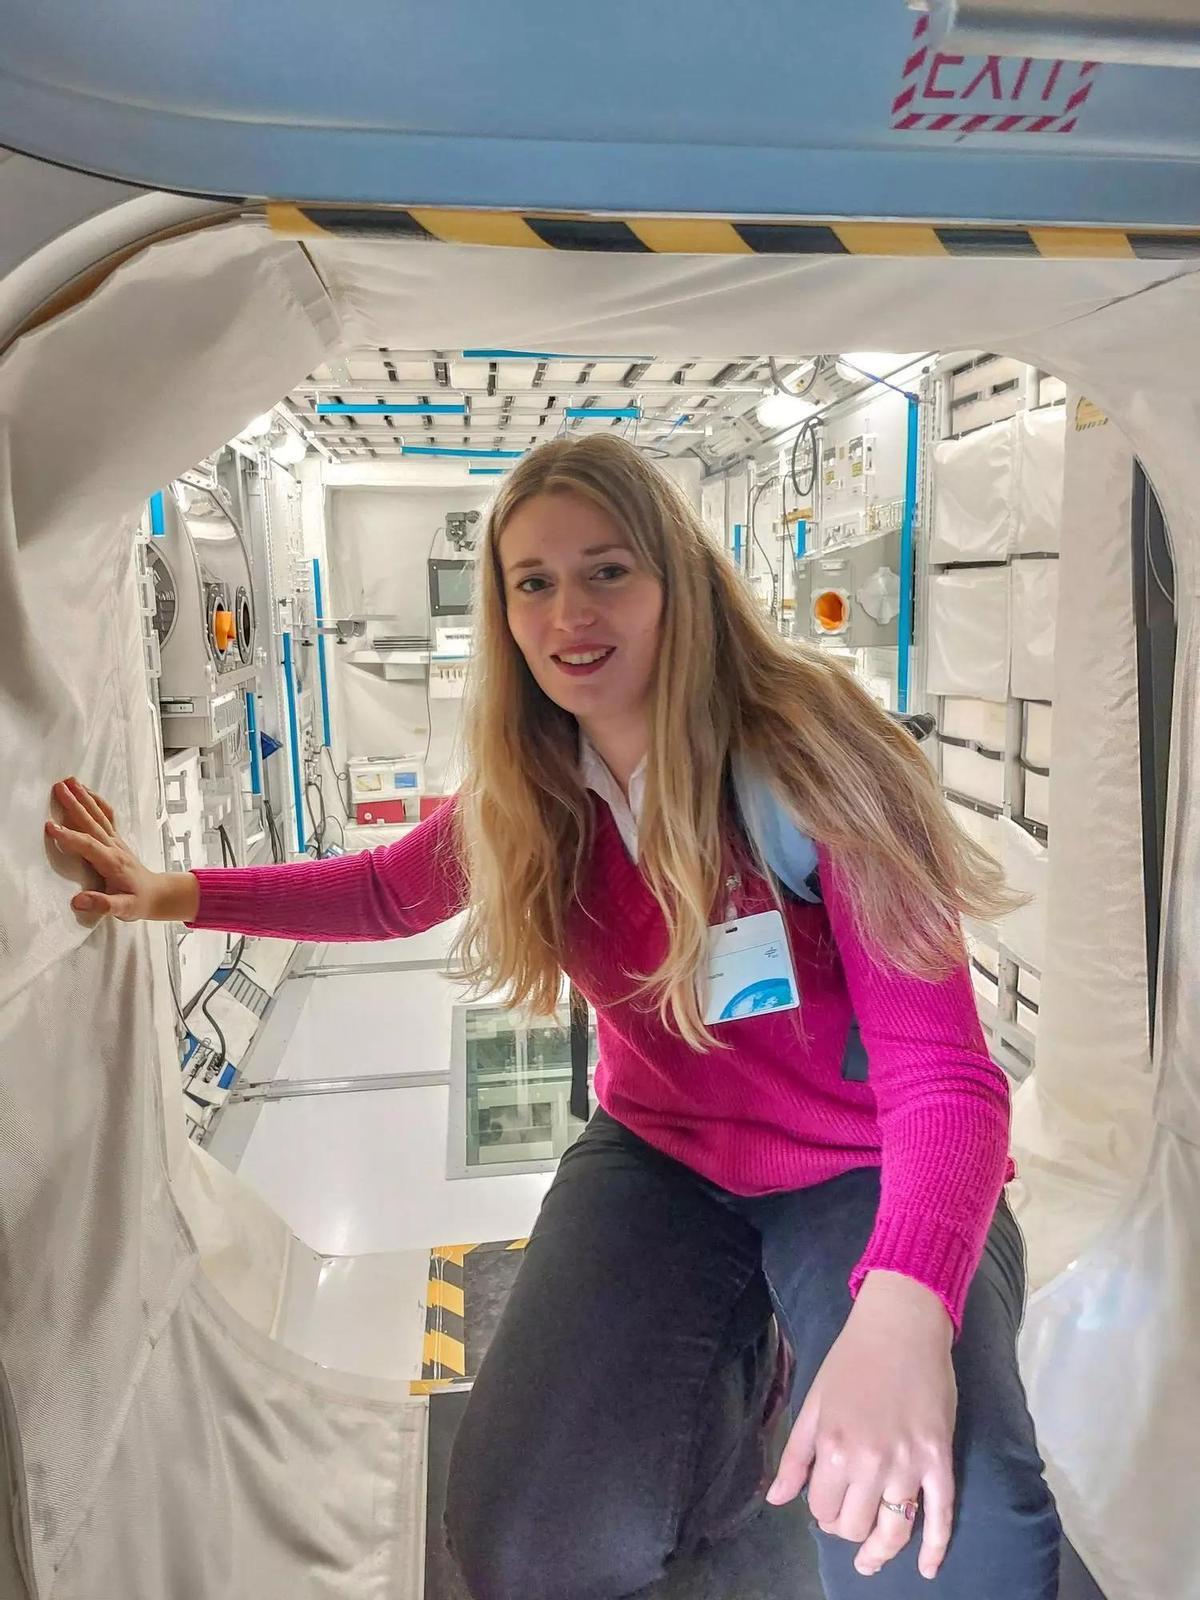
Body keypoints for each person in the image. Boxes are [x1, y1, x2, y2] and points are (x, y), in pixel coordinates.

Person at [46, 435, 1061, 1599]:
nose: (568, 611)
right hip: (665, 1158)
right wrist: (177, 892)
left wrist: (904, 1309)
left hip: (865, 1164)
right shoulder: (535, 784)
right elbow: (385, 890)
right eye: (533, 582)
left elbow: (947, 1080)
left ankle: (817, 1344)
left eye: (607, 569)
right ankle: (739, 1406)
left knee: (952, 1549)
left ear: (676, 575)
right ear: (505, 611)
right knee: (529, 1543)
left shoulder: (815, 758)